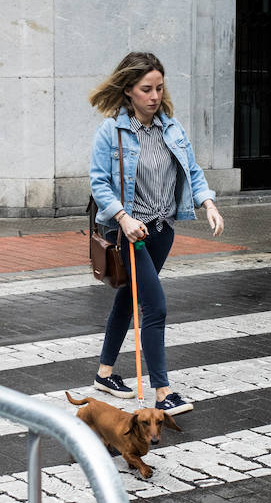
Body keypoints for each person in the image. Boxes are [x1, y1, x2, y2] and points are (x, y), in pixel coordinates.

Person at [87, 51, 224, 415]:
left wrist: (207, 202)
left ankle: (104, 373)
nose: (154, 96)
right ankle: (163, 393)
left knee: (127, 298)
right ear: (128, 90)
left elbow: (192, 171)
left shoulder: (171, 128)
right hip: (129, 234)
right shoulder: (111, 131)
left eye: (159, 88)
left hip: (162, 230)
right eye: (146, 89)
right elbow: (99, 183)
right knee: (155, 307)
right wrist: (123, 217)